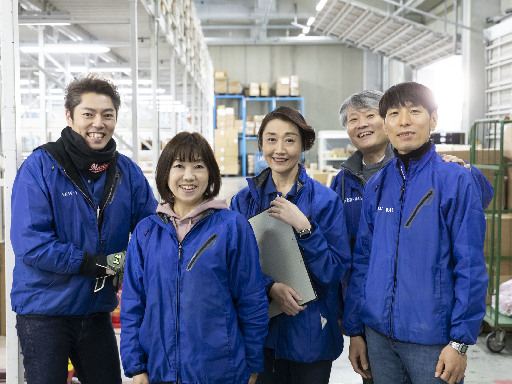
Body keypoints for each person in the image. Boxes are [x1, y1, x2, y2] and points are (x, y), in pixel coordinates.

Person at [10, 73, 158, 384]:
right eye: (88, 114)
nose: (98, 123)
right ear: (69, 116)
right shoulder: (40, 167)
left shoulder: (125, 172)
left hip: (95, 311)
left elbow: (152, 230)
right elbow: (31, 245)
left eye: (107, 115)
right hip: (44, 312)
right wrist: (96, 264)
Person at [342, 82, 489, 384]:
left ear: (433, 119)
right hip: (379, 338)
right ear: (386, 123)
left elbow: (470, 266)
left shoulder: (455, 180)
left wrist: (460, 342)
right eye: (394, 113)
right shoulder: (378, 185)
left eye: (415, 111)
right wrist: (356, 331)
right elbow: (363, 264)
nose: (404, 121)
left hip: (433, 342)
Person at [120, 132, 269, 384]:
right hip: (159, 372)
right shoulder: (146, 231)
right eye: (179, 166)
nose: (188, 176)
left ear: (210, 174)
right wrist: (136, 368)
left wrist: (252, 365)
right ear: (165, 173)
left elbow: (251, 299)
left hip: (220, 372)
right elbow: (133, 305)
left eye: (198, 166)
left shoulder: (232, 227)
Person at [230, 106, 351, 384]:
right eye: (271, 139)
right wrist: (269, 287)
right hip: (260, 335)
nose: (279, 149)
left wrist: (305, 229)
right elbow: (233, 265)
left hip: (311, 335)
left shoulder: (325, 201)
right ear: (261, 144)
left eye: (289, 139)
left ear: (304, 145)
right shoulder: (243, 201)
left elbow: (334, 271)